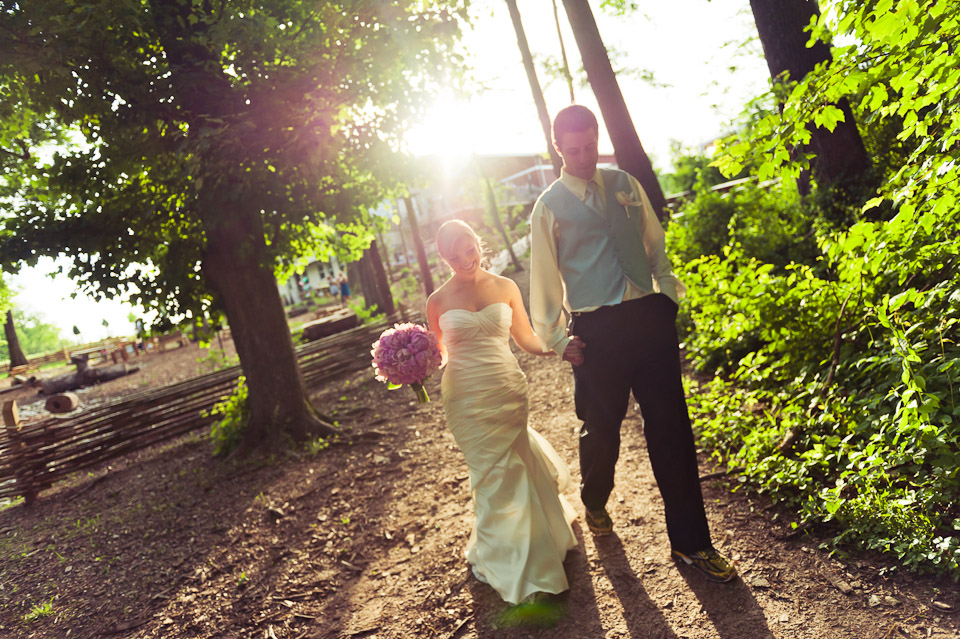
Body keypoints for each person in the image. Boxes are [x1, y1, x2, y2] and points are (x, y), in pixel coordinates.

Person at [529, 105, 736, 583]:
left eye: (589, 148)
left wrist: (666, 296)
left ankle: (691, 544)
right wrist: (559, 340)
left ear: (597, 139)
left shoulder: (624, 183)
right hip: (596, 334)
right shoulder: (549, 207)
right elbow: (542, 280)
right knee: (601, 428)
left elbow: (654, 244)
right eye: (573, 150)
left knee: (672, 431)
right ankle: (595, 497)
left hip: (649, 321)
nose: (583, 158)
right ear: (559, 148)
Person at [426, 219, 578, 605]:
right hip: (464, 396)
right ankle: (514, 562)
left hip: (506, 388)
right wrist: (410, 365)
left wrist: (556, 347)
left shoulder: (506, 286)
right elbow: (438, 356)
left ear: (478, 242)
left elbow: (525, 338)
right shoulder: (438, 302)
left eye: (469, 248)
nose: (465, 259)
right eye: (454, 255)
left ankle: (535, 556)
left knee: (516, 465)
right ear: (443, 258)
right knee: (491, 474)